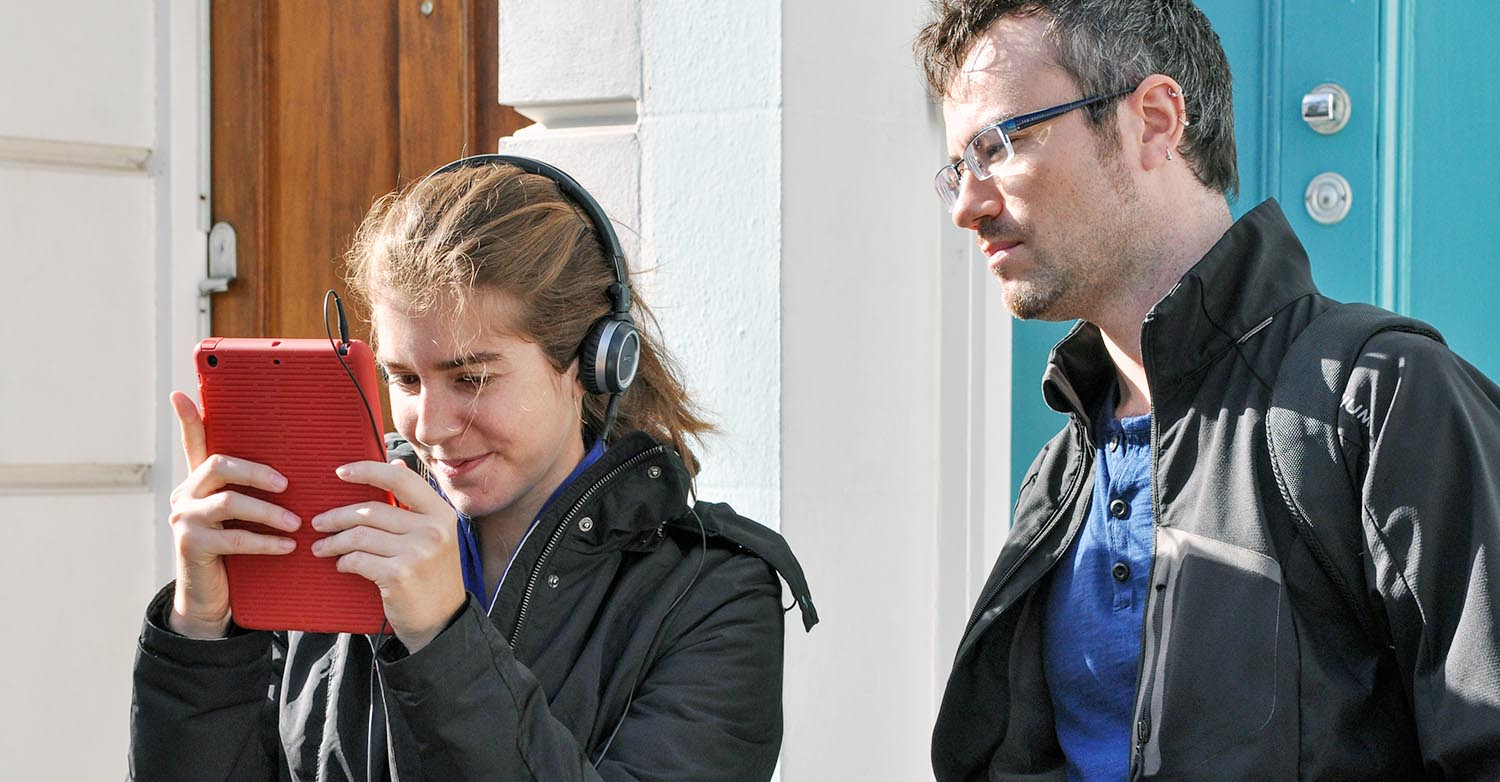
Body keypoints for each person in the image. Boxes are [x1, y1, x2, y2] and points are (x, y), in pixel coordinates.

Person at [914, 1, 1500, 779]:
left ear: (1154, 120)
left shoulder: (1383, 402)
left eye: (998, 145)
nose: (968, 205)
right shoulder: (1059, 478)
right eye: (958, 166)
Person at [128, 155, 816, 781]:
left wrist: (439, 638)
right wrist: (201, 636)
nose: (428, 426)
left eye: (471, 379)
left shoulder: (713, 593)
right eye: (404, 378)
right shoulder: (337, 543)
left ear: (591, 362)